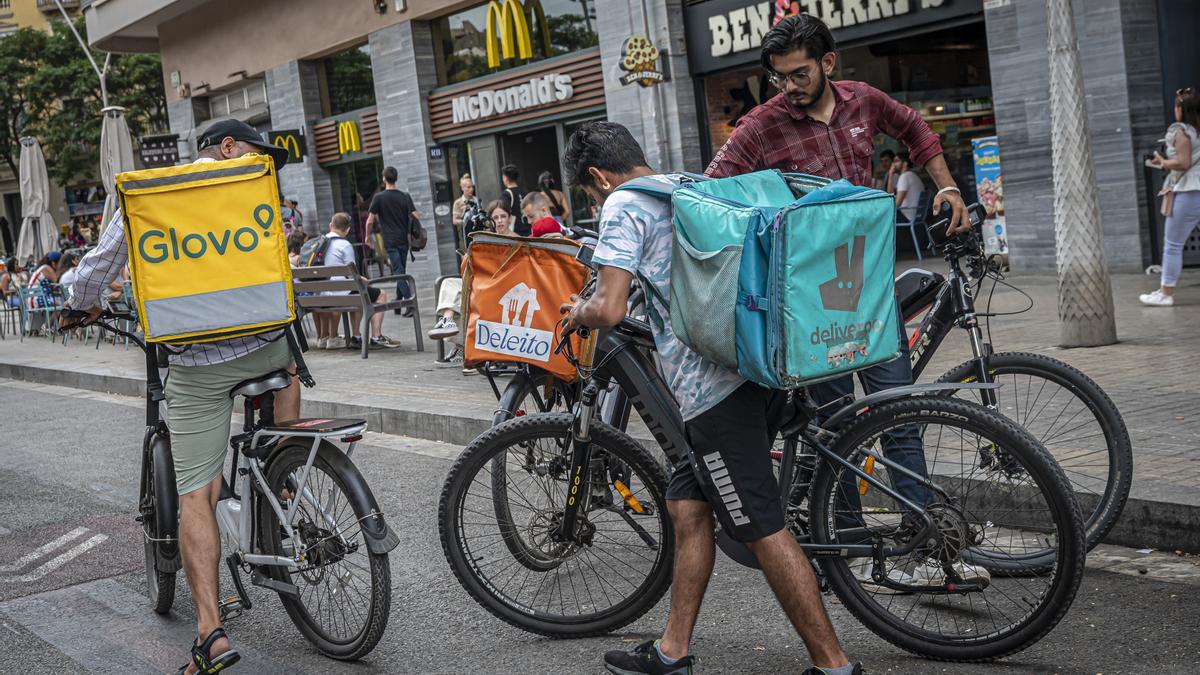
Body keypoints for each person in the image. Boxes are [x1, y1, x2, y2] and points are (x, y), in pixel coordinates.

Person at [563, 121, 860, 675]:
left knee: (761, 526)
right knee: (687, 505)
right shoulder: (689, 185)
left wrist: (577, 311)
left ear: (598, 178)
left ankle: (834, 665)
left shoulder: (622, 204)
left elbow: (608, 308)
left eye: (588, 190)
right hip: (760, 367)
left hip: (714, 393)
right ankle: (672, 650)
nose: (593, 197)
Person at [707, 14, 984, 591]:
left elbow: (918, 133)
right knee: (836, 427)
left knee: (897, 415)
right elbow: (716, 186)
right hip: (810, 307)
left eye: (800, 73)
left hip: (871, 296)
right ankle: (848, 548)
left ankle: (922, 544)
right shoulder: (762, 124)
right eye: (779, 77)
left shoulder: (865, 102)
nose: (789, 86)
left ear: (828, 64)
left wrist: (948, 185)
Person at [67, 118, 300, 675]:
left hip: (198, 364)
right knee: (289, 364)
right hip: (268, 346)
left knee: (197, 494)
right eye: (252, 149)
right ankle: (283, 475)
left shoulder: (153, 195)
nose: (258, 159)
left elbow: (99, 267)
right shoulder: (252, 186)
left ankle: (210, 633)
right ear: (225, 147)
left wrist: (82, 300)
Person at [1140, 87, 1200, 307]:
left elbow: (1183, 163)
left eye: (1176, 105)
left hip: (1189, 191)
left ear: (1181, 110)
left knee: (1173, 244)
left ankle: (1165, 293)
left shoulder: (1181, 131)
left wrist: (1163, 162)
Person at [314, 212, 398, 350]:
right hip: (340, 293)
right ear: (347, 230)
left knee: (357, 291)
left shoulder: (319, 243)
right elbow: (352, 274)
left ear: (330, 226)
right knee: (380, 294)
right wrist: (364, 280)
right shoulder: (344, 245)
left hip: (322, 293)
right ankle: (376, 337)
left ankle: (357, 336)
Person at [364, 167, 419, 316]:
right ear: (396, 178)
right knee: (400, 270)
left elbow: (369, 221)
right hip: (404, 240)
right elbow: (416, 216)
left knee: (399, 272)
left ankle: (410, 302)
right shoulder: (405, 196)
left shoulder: (379, 198)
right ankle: (397, 302)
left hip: (391, 240)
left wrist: (368, 236)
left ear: (383, 179)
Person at [888, 152, 926, 222]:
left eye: (896, 161)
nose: (893, 164)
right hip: (916, 215)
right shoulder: (912, 175)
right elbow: (890, 195)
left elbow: (896, 204)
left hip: (907, 217)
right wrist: (890, 175)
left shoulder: (905, 177)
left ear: (905, 164)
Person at [499, 164, 530, 236]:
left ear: (505, 178)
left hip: (514, 232)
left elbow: (502, 212)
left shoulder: (506, 195)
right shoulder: (525, 192)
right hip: (528, 230)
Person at [452, 173, 479, 244]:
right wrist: (466, 221)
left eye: (472, 187)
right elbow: (454, 220)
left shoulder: (477, 200)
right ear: (462, 188)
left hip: (477, 232)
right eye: (468, 187)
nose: (471, 189)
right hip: (464, 233)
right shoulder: (458, 202)